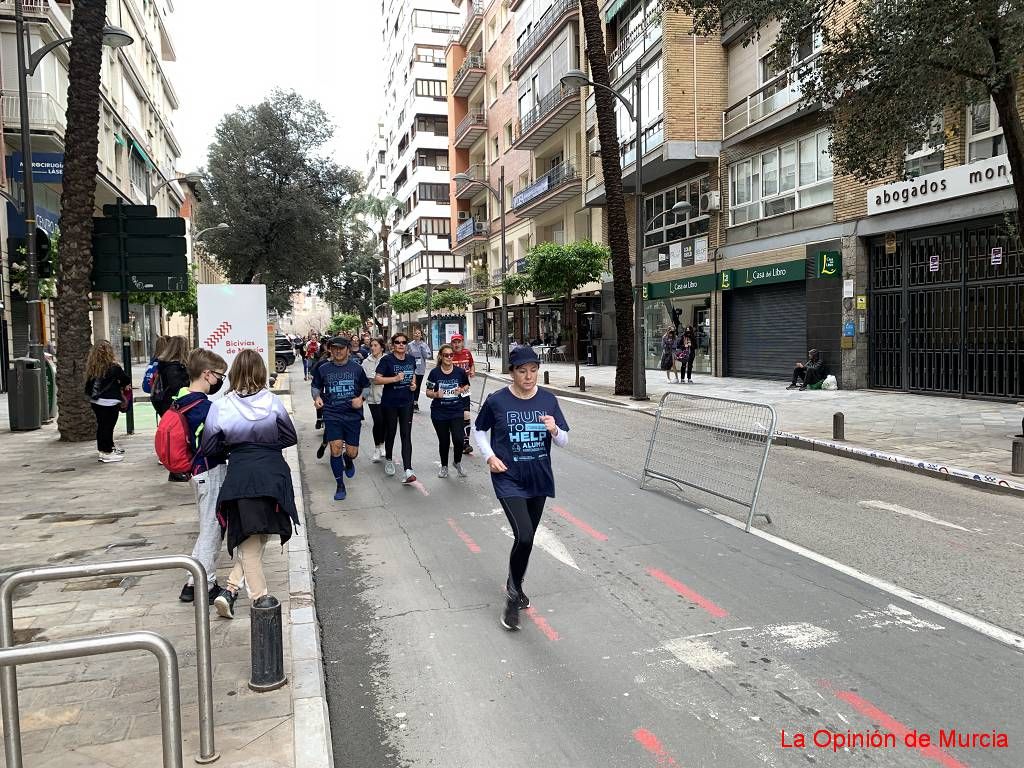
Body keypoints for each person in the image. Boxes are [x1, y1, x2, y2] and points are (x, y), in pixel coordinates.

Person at [474, 347, 569, 631]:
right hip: (508, 478)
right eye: (522, 371)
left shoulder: (548, 400)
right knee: (524, 535)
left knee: (526, 540)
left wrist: (554, 430)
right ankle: (512, 599)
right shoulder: (497, 401)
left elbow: (565, 440)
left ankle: (515, 582)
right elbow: (478, 430)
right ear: (512, 372)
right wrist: (489, 456)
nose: (528, 376)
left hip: (539, 478)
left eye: (533, 370)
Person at [201, 349, 298, 620]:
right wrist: (265, 445)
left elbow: (208, 446)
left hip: (241, 473)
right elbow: (289, 436)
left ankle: (232, 591)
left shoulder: (221, 406)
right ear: (261, 372)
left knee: (252, 534)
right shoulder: (272, 402)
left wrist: (236, 446)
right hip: (272, 472)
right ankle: (258, 598)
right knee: (257, 534)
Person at [173, 348, 230, 604]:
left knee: (208, 526)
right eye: (219, 375)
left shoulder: (182, 399)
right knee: (213, 528)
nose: (220, 380)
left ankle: (191, 582)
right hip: (209, 469)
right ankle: (205, 585)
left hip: (197, 471)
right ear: (207, 374)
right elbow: (216, 441)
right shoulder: (203, 407)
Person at [312, 336, 370, 501]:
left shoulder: (357, 368)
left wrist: (361, 399)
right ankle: (340, 485)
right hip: (332, 414)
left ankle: (348, 459)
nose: (337, 351)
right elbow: (315, 386)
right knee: (335, 448)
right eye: (334, 348)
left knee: (352, 452)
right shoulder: (323, 368)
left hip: (352, 416)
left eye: (341, 348)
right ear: (330, 349)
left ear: (348, 349)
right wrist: (316, 398)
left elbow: (366, 386)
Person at [374, 332, 418, 484]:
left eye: (404, 342)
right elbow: (377, 379)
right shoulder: (387, 360)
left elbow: (412, 375)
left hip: (407, 402)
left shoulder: (411, 359)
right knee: (391, 432)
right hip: (390, 403)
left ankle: (408, 470)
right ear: (392, 345)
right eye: (398, 342)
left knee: (406, 434)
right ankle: (389, 459)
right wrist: (394, 379)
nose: (401, 344)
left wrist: (413, 385)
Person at [426, 344, 471, 478]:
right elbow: (428, 392)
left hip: (456, 410)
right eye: (446, 355)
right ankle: (444, 466)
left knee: (458, 439)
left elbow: (467, 385)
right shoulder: (434, 373)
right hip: (439, 412)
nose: (449, 357)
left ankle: (457, 462)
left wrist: (462, 390)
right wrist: (435, 395)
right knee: (444, 441)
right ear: (440, 356)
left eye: (451, 355)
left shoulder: (460, 372)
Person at [84, 340, 131, 463]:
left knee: (102, 426)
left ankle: (104, 450)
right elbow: (126, 379)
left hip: (96, 402)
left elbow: (89, 386)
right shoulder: (114, 367)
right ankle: (107, 452)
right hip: (110, 401)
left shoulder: (92, 367)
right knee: (108, 427)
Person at [361, 337, 387, 463]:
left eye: (376, 345)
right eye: (371, 345)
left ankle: (383, 444)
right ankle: (377, 448)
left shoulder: (388, 360)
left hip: (387, 397)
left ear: (382, 347)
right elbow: (364, 378)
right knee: (378, 422)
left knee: (386, 423)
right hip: (372, 397)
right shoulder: (366, 362)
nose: (373, 347)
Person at [449, 334, 476, 455]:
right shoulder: (448, 355)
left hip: (465, 388)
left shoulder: (467, 353)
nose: (456, 344)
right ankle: (454, 437)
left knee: (466, 414)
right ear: (451, 344)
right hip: (451, 390)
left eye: (458, 342)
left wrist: (472, 371)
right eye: (454, 342)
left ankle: (466, 443)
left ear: (462, 342)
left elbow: (471, 364)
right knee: (453, 416)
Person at [407, 328, 431, 412]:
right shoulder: (410, 345)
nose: (417, 334)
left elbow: (427, 356)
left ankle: (415, 403)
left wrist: (422, 348)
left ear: (421, 335)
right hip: (412, 369)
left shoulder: (424, 345)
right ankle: (410, 403)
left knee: (418, 387)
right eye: (415, 333)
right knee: (412, 385)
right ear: (413, 335)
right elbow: (407, 355)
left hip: (421, 368)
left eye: (418, 333)